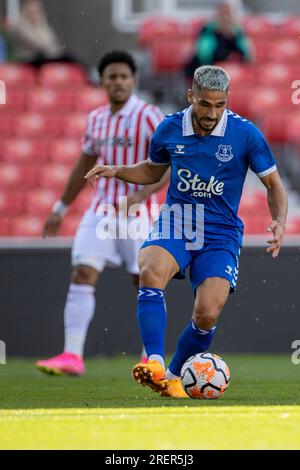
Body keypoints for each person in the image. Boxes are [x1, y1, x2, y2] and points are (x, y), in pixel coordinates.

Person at [85, 65, 288, 398]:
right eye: (205, 104)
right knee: (150, 271)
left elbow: (274, 185)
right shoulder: (169, 128)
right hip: (178, 220)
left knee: (207, 313)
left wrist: (279, 219)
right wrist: (119, 171)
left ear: (227, 101)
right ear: (191, 95)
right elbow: (153, 170)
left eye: (219, 105)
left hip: (220, 232)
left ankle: (173, 376)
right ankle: (152, 361)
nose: (211, 113)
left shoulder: (246, 134)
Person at [36, 51, 167, 376]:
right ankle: (72, 356)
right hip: (101, 210)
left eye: (124, 76)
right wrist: (60, 207)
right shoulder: (96, 119)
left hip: (139, 213)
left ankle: (151, 359)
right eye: (112, 77)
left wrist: (141, 194)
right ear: (103, 81)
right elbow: (85, 163)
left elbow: (170, 163)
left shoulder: (149, 115)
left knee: (145, 282)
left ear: (133, 80)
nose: (118, 82)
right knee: (82, 273)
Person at [185, 1, 252, 82]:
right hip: (209, 70)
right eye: (223, 13)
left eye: (228, 13)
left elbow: (246, 54)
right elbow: (204, 55)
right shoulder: (209, 30)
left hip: (230, 71)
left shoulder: (237, 32)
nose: (225, 17)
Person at [9, 0, 79, 67]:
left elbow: (52, 41)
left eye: (36, 9)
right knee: (65, 57)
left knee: (68, 57)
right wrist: (54, 51)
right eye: (31, 9)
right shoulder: (20, 25)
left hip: (43, 56)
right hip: (29, 59)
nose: (34, 11)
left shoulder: (41, 24)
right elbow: (38, 44)